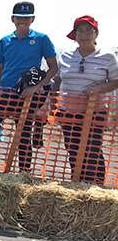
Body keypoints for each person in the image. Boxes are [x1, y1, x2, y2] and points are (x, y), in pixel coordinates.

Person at [0, 2, 58, 173]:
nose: (23, 21)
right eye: (19, 18)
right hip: (4, 94)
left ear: (32, 19)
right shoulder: (4, 41)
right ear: (13, 19)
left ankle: (24, 174)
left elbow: (53, 68)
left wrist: (36, 88)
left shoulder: (42, 39)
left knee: (23, 136)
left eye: (27, 18)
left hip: (26, 96)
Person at [39, 16, 118, 184]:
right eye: (79, 31)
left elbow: (116, 81)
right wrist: (52, 103)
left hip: (95, 112)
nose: (84, 35)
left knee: (91, 149)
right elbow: (58, 80)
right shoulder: (66, 56)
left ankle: (95, 187)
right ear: (74, 35)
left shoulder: (108, 57)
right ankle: (77, 183)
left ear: (96, 33)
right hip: (68, 111)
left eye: (89, 30)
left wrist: (98, 89)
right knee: (73, 149)